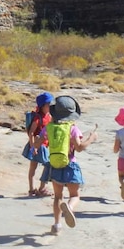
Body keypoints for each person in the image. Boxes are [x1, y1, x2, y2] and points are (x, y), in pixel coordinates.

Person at [34, 95, 97, 235]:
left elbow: (37, 144)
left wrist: (38, 140)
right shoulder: (72, 128)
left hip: (55, 165)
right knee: (75, 195)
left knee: (57, 196)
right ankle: (69, 207)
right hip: (70, 164)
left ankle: (57, 225)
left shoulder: (49, 127)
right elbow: (79, 148)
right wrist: (91, 139)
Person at [22, 92, 54, 197]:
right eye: (48, 104)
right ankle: (37, 189)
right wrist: (33, 147)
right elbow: (31, 132)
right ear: (42, 106)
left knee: (44, 166)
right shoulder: (38, 117)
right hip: (37, 145)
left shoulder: (48, 116)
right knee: (39, 166)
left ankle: (38, 188)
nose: (50, 106)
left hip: (44, 145)